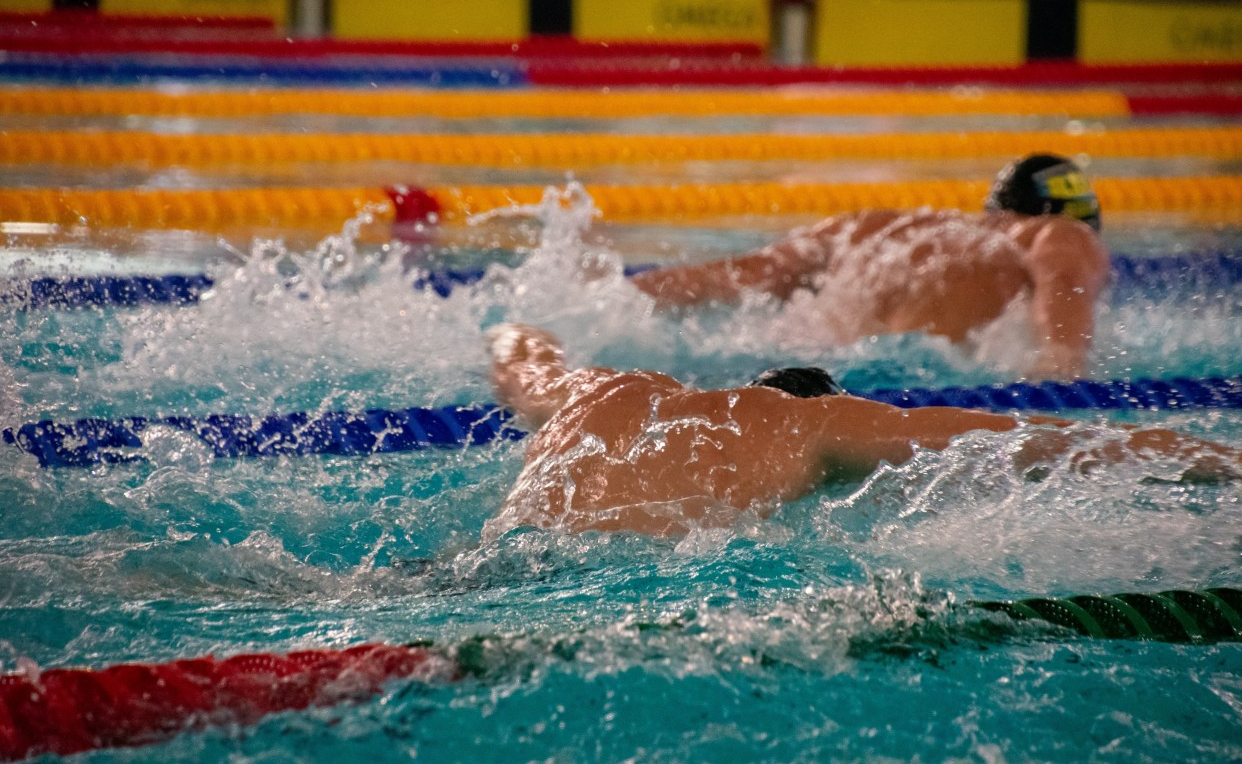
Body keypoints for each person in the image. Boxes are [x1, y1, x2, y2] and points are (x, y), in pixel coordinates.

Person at [483, 323, 1240, 539]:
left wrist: (520, 328)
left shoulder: (609, 387)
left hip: (480, 567)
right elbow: (1034, 437)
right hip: (611, 594)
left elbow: (518, 359)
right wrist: (1223, 457)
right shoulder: (811, 422)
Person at [629, 154, 1110, 380]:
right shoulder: (1056, 232)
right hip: (916, 386)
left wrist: (614, 297)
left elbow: (744, 273)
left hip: (797, 369)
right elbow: (1063, 280)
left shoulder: (876, 228)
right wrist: (1061, 370)